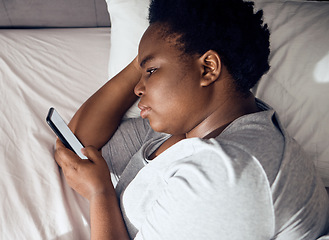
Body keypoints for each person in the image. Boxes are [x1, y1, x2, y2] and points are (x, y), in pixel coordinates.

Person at [54, 0, 329, 239]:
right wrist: (145, 60)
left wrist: (99, 195)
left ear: (208, 68)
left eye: (151, 70)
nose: (136, 89)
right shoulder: (187, 128)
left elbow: (86, 168)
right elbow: (78, 142)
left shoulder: (228, 172)